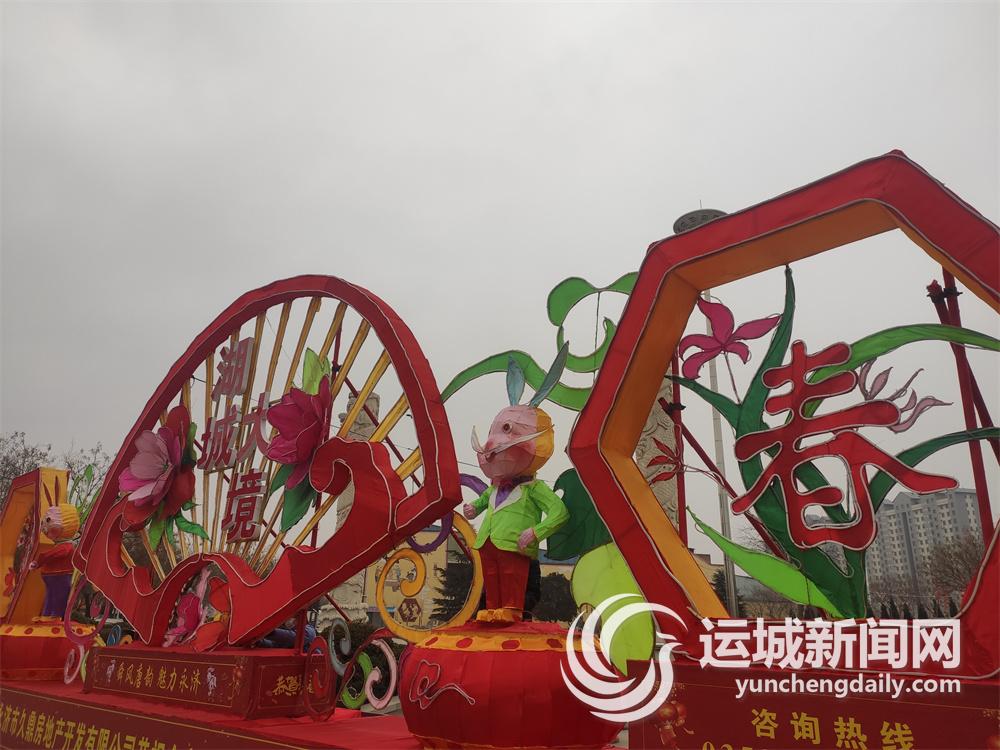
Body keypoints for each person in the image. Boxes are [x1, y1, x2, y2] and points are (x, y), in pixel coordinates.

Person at [28, 505, 80, 619]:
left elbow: (57, 553)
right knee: (51, 597)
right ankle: (47, 616)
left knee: (58, 598)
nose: (44, 526)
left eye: (48, 520)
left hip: (60, 577)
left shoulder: (67, 547)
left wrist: (40, 560)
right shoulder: (63, 546)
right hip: (54, 577)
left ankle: (55, 617)